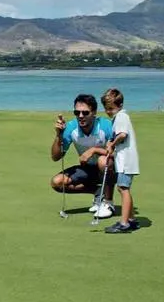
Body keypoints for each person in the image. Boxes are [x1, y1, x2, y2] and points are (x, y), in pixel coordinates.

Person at [50, 93, 114, 215]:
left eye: (85, 113)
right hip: (88, 170)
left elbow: (118, 153)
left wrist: (94, 150)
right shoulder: (70, 127)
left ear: (94, 112)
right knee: (57, 182)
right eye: (77, 112)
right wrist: (59, 135)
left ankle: (108, 203)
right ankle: (98, 192)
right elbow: (56, 157)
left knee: (102, 161)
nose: (80, 116)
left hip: (111, 169)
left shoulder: (106, 126)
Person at [101, 87, 140, 233]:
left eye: (111, 108)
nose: (109, 111)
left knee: (123, 189)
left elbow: (122, 135)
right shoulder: (119, 117)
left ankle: (124, 223)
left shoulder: (122, 116)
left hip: (126, 161)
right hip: (123, 160)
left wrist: (112, 143)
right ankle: (132, 220)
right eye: (107, 108)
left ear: (120, 106)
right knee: (123, 188)